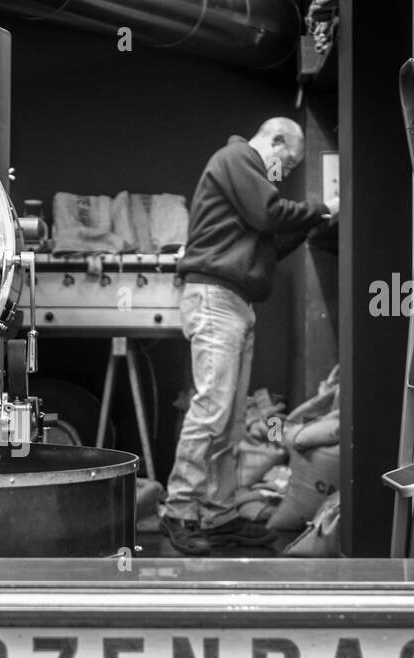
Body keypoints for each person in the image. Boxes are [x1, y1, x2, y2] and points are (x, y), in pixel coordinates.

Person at [161, 117, 338, 556]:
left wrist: (315, 221)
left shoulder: (247, 177)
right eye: (288, 160)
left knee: (231, 420)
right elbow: (270, 213)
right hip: (216, 298)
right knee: (212, 409)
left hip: (235, 302)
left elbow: (271, 241)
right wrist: (324, 207)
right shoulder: (238, 157)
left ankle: (219, 514)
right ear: (276, 140)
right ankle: (179, 509)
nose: (284, 170)